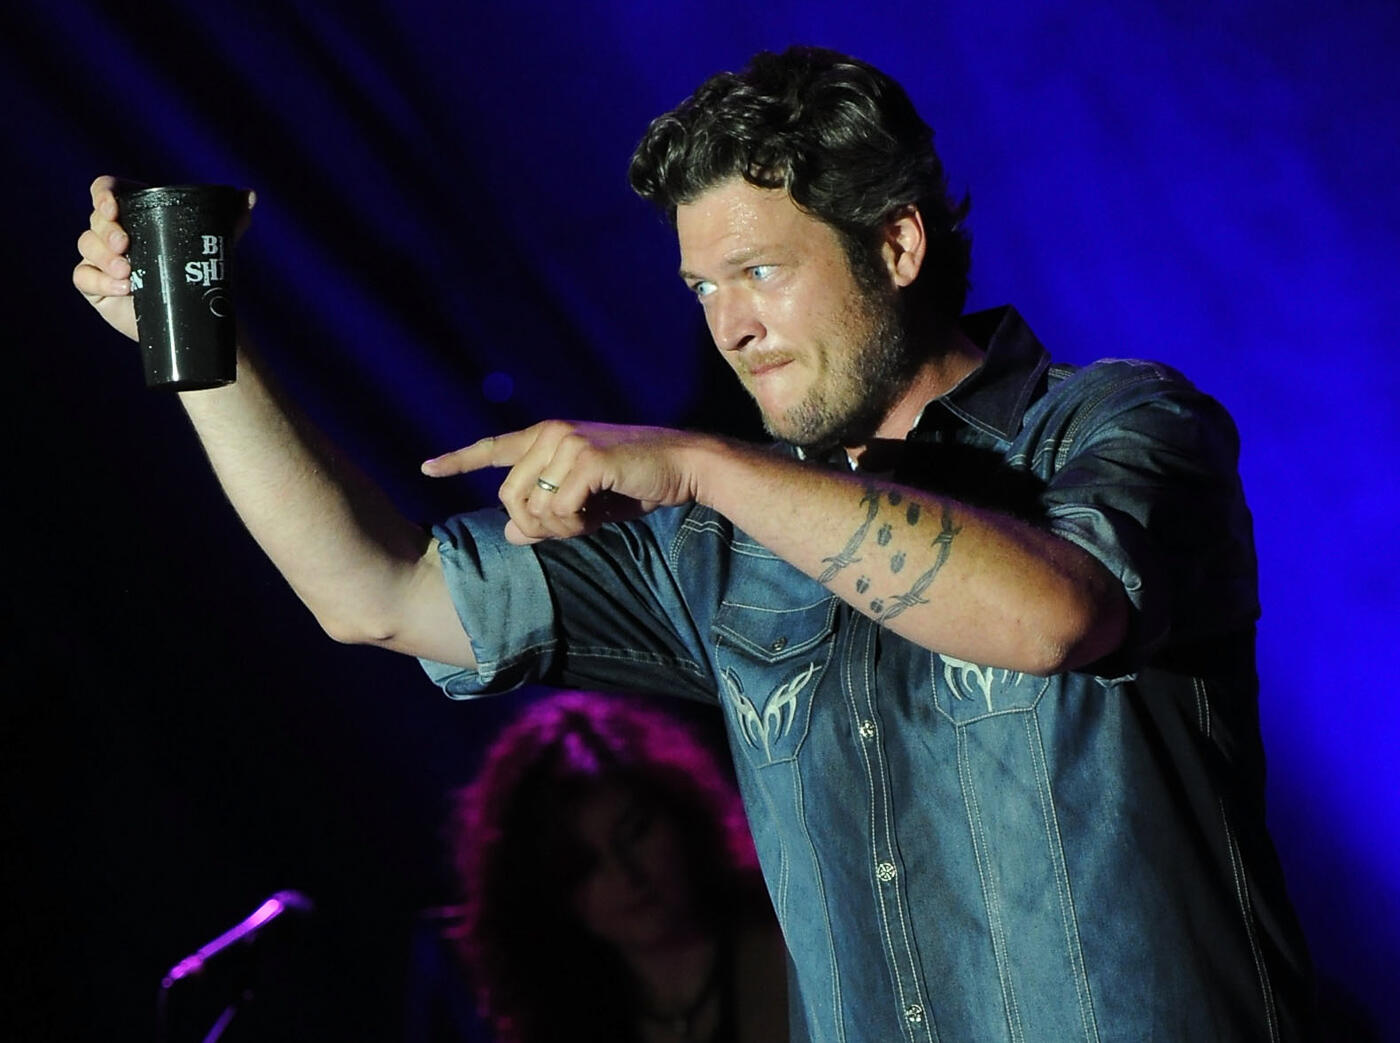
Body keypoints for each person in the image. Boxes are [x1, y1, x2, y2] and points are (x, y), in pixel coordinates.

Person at [74, 44, 1316, 1042]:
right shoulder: (720, 540)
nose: (729, 328)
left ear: (896, 243)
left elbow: (1054, 616)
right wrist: (195, 349)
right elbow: (378, 593)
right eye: (699, 289)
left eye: (760, 272)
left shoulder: (1117, 421)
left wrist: (706, 464)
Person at [443, 690, 787, 1042]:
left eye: (635, 832)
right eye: (584, 864)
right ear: (545, 892)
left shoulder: (791, 944)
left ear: (680, 810)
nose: (626, 874)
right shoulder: (562, 1022)